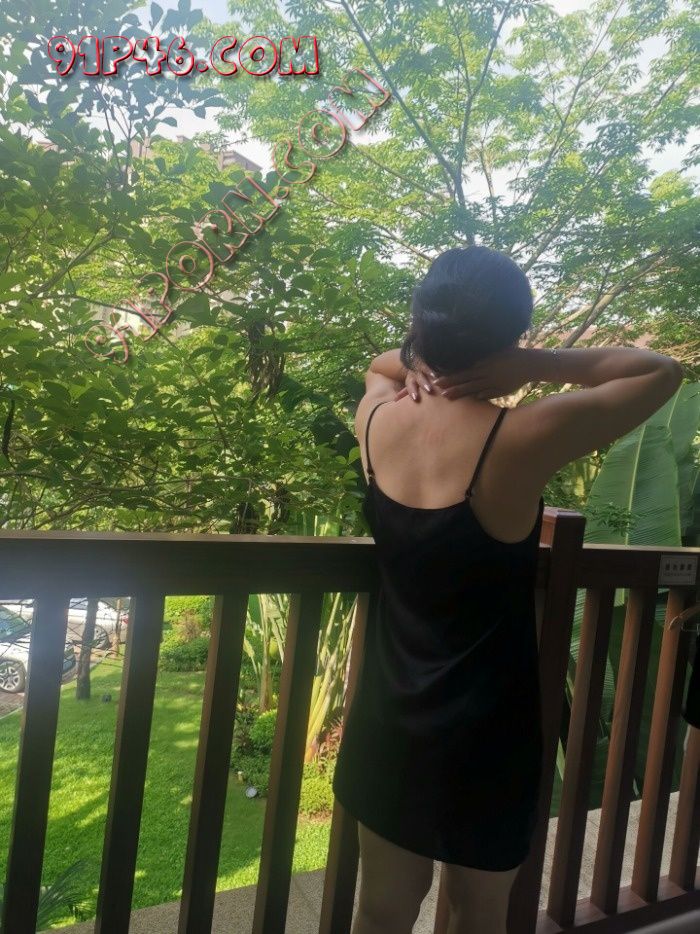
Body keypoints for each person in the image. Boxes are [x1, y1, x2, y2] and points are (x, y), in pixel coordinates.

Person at [331, 245, 684, 934]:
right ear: (509, 336)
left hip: (389, 718)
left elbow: (379, 366)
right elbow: (659, 371)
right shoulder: (521, 436)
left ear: (421, 323)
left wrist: (416, 362)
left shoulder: (375, 418)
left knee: (381, 911)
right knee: (481, 914)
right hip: (488, 729)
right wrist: (537, 364)